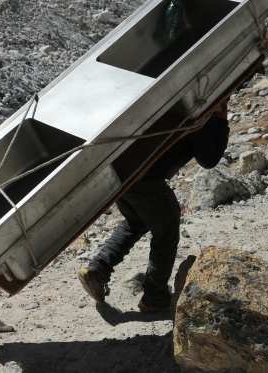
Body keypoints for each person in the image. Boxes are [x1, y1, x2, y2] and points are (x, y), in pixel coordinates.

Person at [78, 99, 230, 313]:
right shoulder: (201, 111)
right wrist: (222, 120)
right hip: (146, 180)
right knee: (166, 230)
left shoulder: (177, 97)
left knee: (136, 221)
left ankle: (98, 269)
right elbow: (209, 159)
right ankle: (154, 296)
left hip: (124, 173)